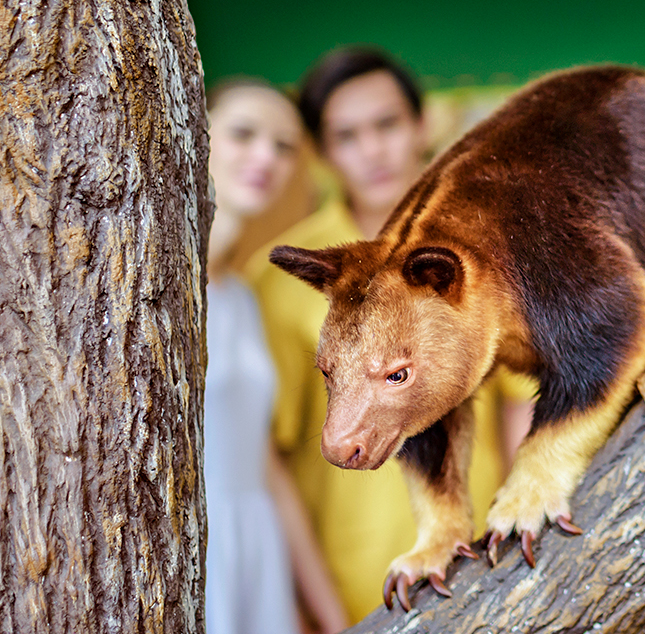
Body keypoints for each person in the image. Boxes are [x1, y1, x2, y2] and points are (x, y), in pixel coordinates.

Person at [245, 47, 532, 623]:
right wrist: (320, 613)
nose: (372, 150)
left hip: (476, 562)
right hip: (348, 581)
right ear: (323, 153)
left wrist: (517, 547)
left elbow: (520, 406)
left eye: (387, 125)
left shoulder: (482, 254)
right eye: (347, 136)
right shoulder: (285, 277)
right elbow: (268, 462)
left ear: (422, 125)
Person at [203, 80, 348, 634]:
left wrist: (330, 617)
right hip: (192, 549)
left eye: (285, 146)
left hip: (257, 550)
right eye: (243, 134)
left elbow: (264, 464)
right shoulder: (155, 295)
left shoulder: (241, 297)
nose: (265, 157)